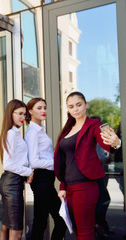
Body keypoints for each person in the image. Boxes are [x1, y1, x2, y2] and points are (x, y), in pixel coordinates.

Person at [54, 91, 121, 240]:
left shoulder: (94, 126)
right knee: (78, 231)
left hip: (85, 187)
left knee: (85, 233)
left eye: (79, 105)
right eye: (71, 106)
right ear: (68, 109)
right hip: (69, 189)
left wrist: (116, 143)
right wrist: (63, 187)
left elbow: (107, 144)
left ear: (86, 105)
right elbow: (65, 162)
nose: (75, 109)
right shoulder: (68, 129)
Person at [24, 98, 67, 240]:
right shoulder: (33, 133)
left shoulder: (41, 130)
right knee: (60, 220)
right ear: (30, 111)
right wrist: (55, 163)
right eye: (39, 108)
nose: (43, 111)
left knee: (40, 222)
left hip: (46, 179)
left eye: (44, 107)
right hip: (41, 179)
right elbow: (34, 162)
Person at [0, 99, 34, 240]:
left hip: (11, 182)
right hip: (12, 183)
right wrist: (29, 172)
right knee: (17, 231)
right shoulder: (11, 134)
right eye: (19, 113)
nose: (22, 117)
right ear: (10, 113)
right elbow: (8, 164)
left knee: (6, 227)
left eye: (24, 114)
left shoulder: (12, 133)